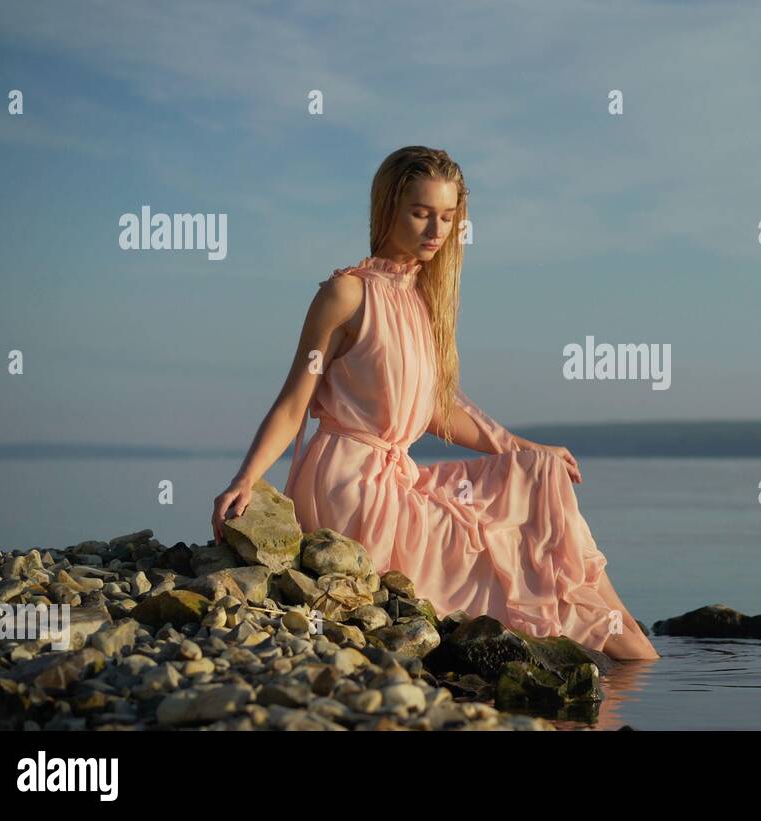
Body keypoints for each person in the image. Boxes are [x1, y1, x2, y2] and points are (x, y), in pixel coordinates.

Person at [212, 146, 659, 661]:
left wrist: (525, 448)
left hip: (396, 477)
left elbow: (433, 411)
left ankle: (630, 647)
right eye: (421, 213)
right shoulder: (347, 294)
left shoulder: (422, 299)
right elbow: (295, 399)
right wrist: (245, 479)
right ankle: (636, 666)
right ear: (386, 209)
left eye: (448, 217)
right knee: (508, 543)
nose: (436, 230)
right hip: (351, 485)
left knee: (538, 478)